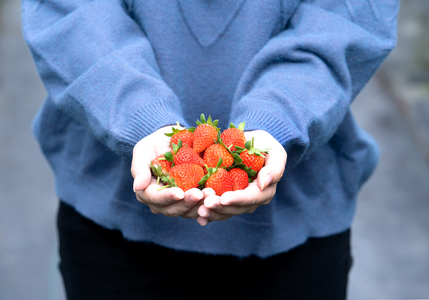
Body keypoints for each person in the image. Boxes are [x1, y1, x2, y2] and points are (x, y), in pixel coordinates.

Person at [21, 0, 399, 299]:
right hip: (108, 228)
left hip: (298, 236)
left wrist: (276, 121)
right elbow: (70, 12)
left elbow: (348, 18)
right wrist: (141, 117)